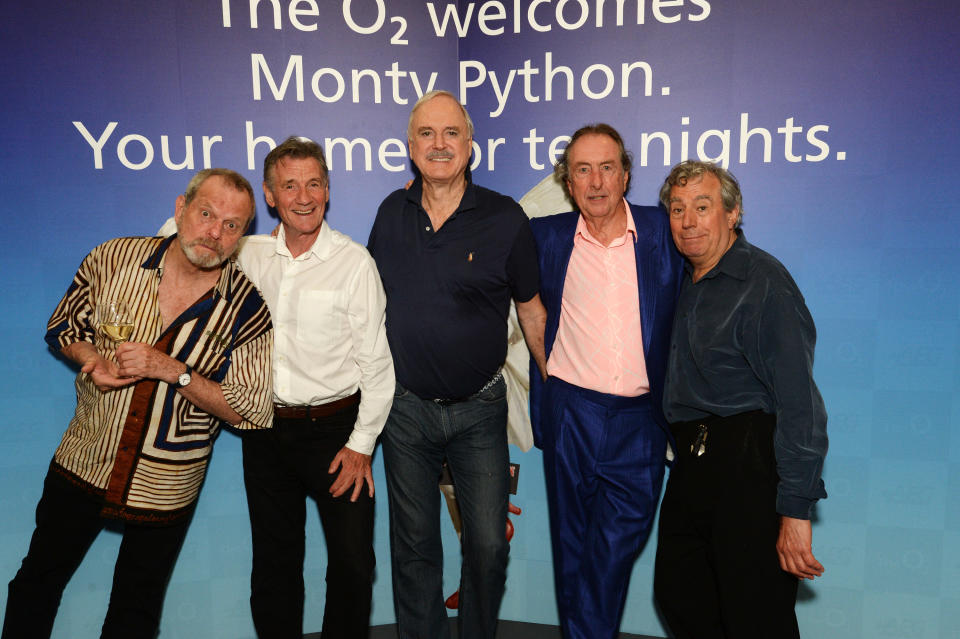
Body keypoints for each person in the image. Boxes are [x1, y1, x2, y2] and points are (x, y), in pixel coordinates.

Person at [2, 169, 274, 639]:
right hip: (85, 458)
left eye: (232, 225)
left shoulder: (248, 309)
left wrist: (174, 370)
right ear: (180, 209)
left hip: (167, 482)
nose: (215, 232)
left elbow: (250, 410)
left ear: (243, 236)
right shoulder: (113, 258)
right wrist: (90, 358)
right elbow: (64, 326)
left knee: (136, 609)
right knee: (36, 582)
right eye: (207, 213)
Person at [367, 90, 547, 639]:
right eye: (427, 134)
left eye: (451, 134)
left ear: (471, 145)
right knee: (414, 547)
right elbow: (370, 305)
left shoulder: (504, 217)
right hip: (406, 411)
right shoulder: (390, 213)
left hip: (480, 410)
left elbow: (532, 311)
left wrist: (554, 385)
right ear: (410, 147)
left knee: (489, 546)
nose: (439, 145)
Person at [654, 160, 828, 638]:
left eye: (703, 207)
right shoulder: (682, 280)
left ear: (732, 214)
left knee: (756, 616)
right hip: (692, 464)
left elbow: (800, 402)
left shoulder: (764, 282)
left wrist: (795, 509)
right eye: (677, 208)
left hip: (748, 464)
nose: (688, 221)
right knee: (680, 595)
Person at [527, 124, 684, 639]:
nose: (595, 182)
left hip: (641, 420)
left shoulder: (664, 230)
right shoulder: (545, 237)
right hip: (572, 409)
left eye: (607, 167)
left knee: (613, 549)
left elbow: (722, 257)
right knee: (572, 549)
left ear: (626, 175)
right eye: (582, 170)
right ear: (567, 181)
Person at [238, 136, 394, 639]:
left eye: (313, 184)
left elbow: (378, 367)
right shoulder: (248, 256)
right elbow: (187, 238)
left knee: (352, 565)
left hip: (337, 435)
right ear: (269, 195)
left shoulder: (354, 263)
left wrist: (361, 446)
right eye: (289, 186)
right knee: (274, 566)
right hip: (264, 433)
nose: (303, 197)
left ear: (327, 190)